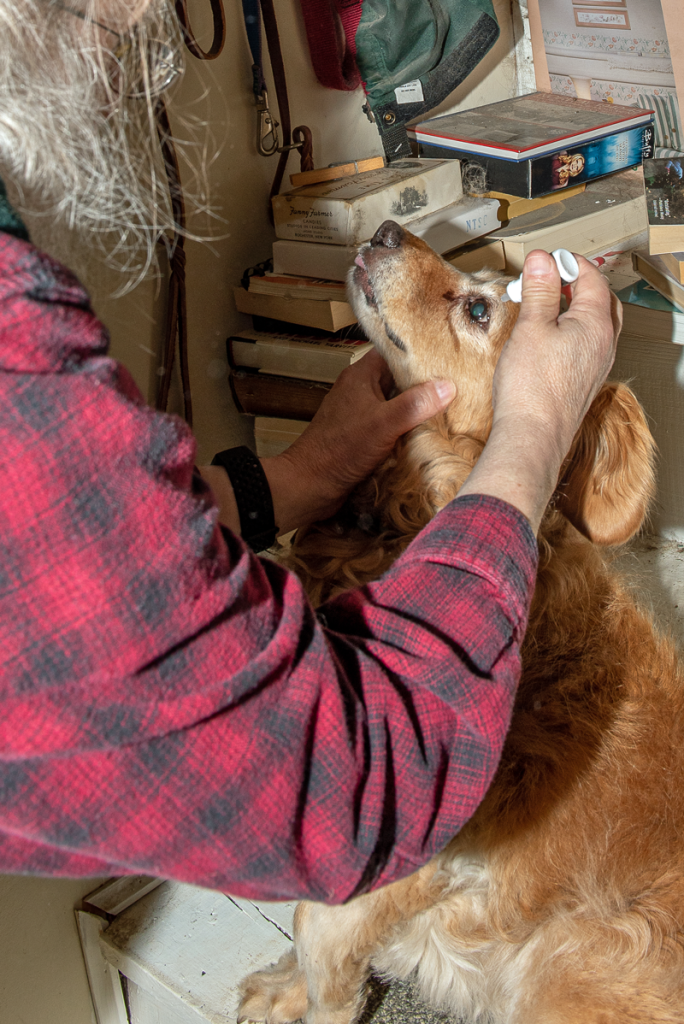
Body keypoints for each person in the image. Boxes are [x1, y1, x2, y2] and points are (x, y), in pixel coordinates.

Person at [0, 0, 620, 903]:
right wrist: (533, 437)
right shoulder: (19, 361)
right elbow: (352, 790)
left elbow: (81, 551)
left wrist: (299, 477)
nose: (145, 14)